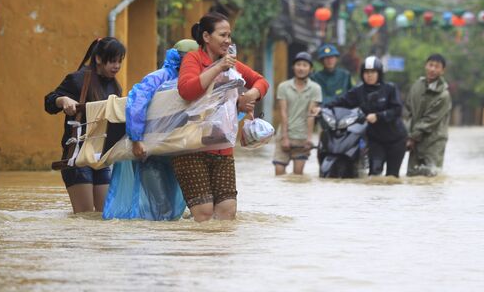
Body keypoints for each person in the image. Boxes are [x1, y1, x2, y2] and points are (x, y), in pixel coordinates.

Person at [173, 12, 269, 222]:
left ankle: (221, 253)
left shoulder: (232, 64)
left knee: (227, 211)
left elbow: (261, 81)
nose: (227, 40)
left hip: (222, 146)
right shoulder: (193, 59)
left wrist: (249, 95)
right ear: (206, 37)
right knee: (204, 213)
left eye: (229, 36)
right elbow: (187, 91)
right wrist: (218, 67)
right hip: (191, 147)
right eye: (222, 35)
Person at [102, 39, 199, 220]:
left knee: (176, 210)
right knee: (162, 207)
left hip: (180, 154)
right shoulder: (159, 77)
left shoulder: (199, 80)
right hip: (151, 154)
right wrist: (137, 139)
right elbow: (136, 104)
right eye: (189, 59)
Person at [44, 37, 126, 213]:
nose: (117, 66)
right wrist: (63, 100)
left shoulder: (115, 87)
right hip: (78, 157)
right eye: (112, 61)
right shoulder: (78, 80)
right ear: (98, 59)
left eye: (120, 61)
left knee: (106, 216)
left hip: (100, 157)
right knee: (85, 217)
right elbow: (49, 102)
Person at [322, 56, 407, 177]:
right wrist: (322, 108)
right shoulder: (358, 91)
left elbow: (397, 110)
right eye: (366, 72)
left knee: (392, 177)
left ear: (379, 73)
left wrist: (378, 116)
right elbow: (342, 101)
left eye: (373, 72)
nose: (369, 75)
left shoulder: (390, 88)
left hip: (396, 139)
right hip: (375, 140)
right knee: (374, 175)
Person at [273, 52, 322, 176]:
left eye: (305, 65)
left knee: (298, 177)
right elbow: (283, 112)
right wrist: (284, 137)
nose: (301, 68)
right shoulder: (283, 87)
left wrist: (309, 139)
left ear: (310, 69)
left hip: (302, 138)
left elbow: (311, 115)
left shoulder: (315, 88)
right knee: (279, 173)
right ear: (293, 67)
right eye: (298, 64)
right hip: (284, 135)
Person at [404, 54, 452, 177]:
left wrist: (412, 137)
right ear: (426, 66)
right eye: (430, 65)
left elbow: (430, 120)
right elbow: (408, 111)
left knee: (432, 177)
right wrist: (406, 134)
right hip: (415, 141)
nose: (433, 69)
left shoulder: (444, 95)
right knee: (413, 176)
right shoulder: (417, 86)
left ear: (442, 71)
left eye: (437, 67)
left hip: (434, 142)